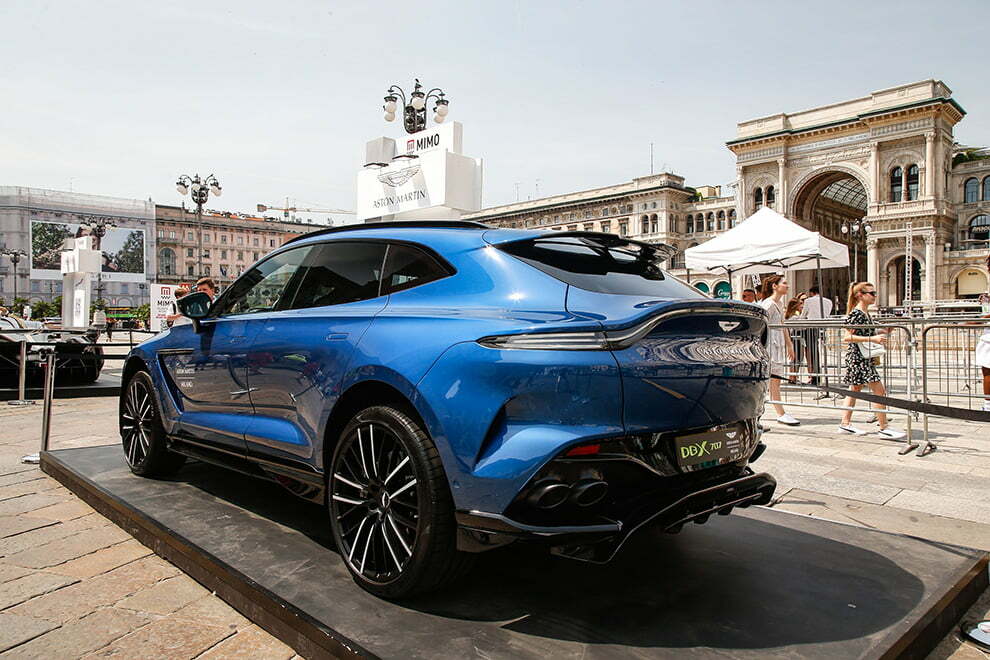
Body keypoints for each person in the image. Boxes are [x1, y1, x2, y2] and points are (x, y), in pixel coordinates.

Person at [837, 282, 906, 439]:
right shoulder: (857, 314)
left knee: (854, 391)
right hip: (859, 359)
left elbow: (864, 331)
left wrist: (883, 330)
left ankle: (845, 424)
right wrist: (873, 338)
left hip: (860, 358)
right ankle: (884, 427)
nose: (875, 295)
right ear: (860, 295)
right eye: (871, 293)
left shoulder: (864, 313)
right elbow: (847, 337)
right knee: (879, 391)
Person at [759, 274, 799, 426]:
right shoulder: (768, 304)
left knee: (775, 380)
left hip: (777, 344)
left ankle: (777, 412)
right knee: (772, 380)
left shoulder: (778, 303)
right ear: (774, 286)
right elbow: (760, 325)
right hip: (770, 345)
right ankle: (780, 413)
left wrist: (789, 345)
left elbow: (782, 326)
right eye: (784, 283)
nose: (787, 286)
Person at [798, 285, 833, 390]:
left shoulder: (809, 301)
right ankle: (816, 376)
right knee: (817, 352)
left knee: (811, 352)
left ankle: (815, 376)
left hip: (810, 328)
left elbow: (803, 316)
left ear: (812, 293)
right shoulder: (828, 301)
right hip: (822, 328)